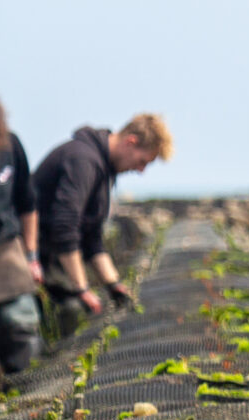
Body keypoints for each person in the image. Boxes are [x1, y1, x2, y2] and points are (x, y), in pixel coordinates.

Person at [35, 113, 170, 336]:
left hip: (52, 257)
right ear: (131, 142)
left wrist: (113, 284)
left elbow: (92, 238)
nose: (140, 170)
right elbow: (65, 226)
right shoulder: (84, 161)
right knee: (72, 310)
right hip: (34, 255)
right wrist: (82, 289)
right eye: (142, 161)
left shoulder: (102, 168)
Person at [0, 87, 40, 382]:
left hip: (6, 253)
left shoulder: (9, 145)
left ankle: (27, 401)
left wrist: (32, 256)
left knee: (21, 329)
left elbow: (28, 205)